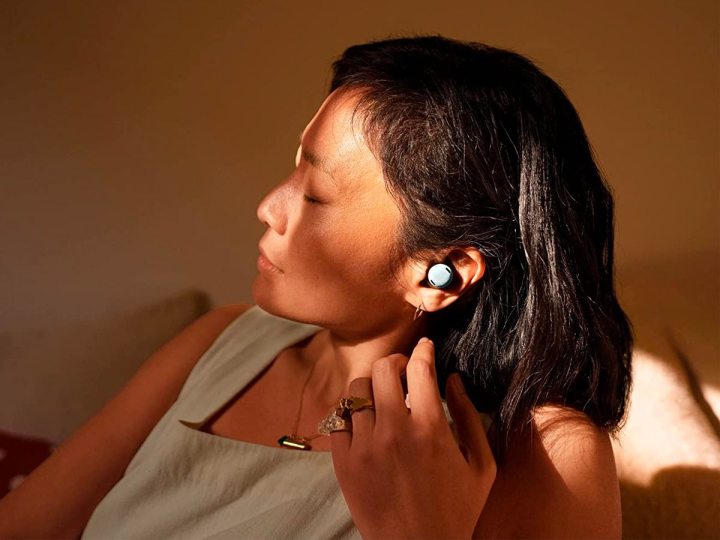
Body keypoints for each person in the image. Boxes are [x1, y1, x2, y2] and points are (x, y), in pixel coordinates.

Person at [0, 34, 632, 539]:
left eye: (316, 194)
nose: (269, 207)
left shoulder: (547, 454)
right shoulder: (220, 340)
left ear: (440, 274)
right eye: (293, 167)